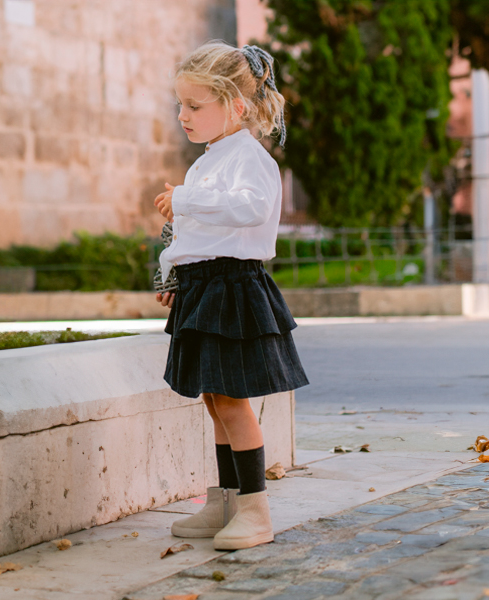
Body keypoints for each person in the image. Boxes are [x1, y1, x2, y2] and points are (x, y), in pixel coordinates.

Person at [153, 41, 309, 551]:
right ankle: (223, 500)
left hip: (234, 286)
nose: (183, 116)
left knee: (235, 401)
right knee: (215, 398)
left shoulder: (250, 158)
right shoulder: (210, 160)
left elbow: (251, 209)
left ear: (236, 106)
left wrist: (185, 197)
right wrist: (172, 276)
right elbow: (195, 237)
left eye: (195, 106)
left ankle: (255, 510)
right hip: (205, 287)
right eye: (181, 105)